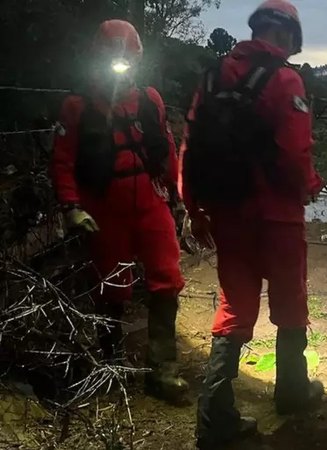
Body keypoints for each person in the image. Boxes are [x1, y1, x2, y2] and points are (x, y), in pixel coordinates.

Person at [179, 0, 324, 447]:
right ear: (287, 37)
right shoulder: (285, 79)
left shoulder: (211, 77)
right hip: (277, 217)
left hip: (228, 215)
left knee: (234, 308)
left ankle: (214, 419)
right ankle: (292, 393)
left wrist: (193, 209)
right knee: (290, 303)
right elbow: (295, 152)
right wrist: (312, 185)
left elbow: (190, 144)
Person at [50, 20, 188, 405]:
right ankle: (110, 365)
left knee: (167, 278)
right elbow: (62, 162)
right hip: (103, 208)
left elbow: (166, 148)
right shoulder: (77, 107)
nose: (121, 62)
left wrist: (177, 198)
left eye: (128, 55)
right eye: (114, 54)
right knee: (112, 286)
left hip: (149, 200)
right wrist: (71, 207)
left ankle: (163, 369)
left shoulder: (150, 100)